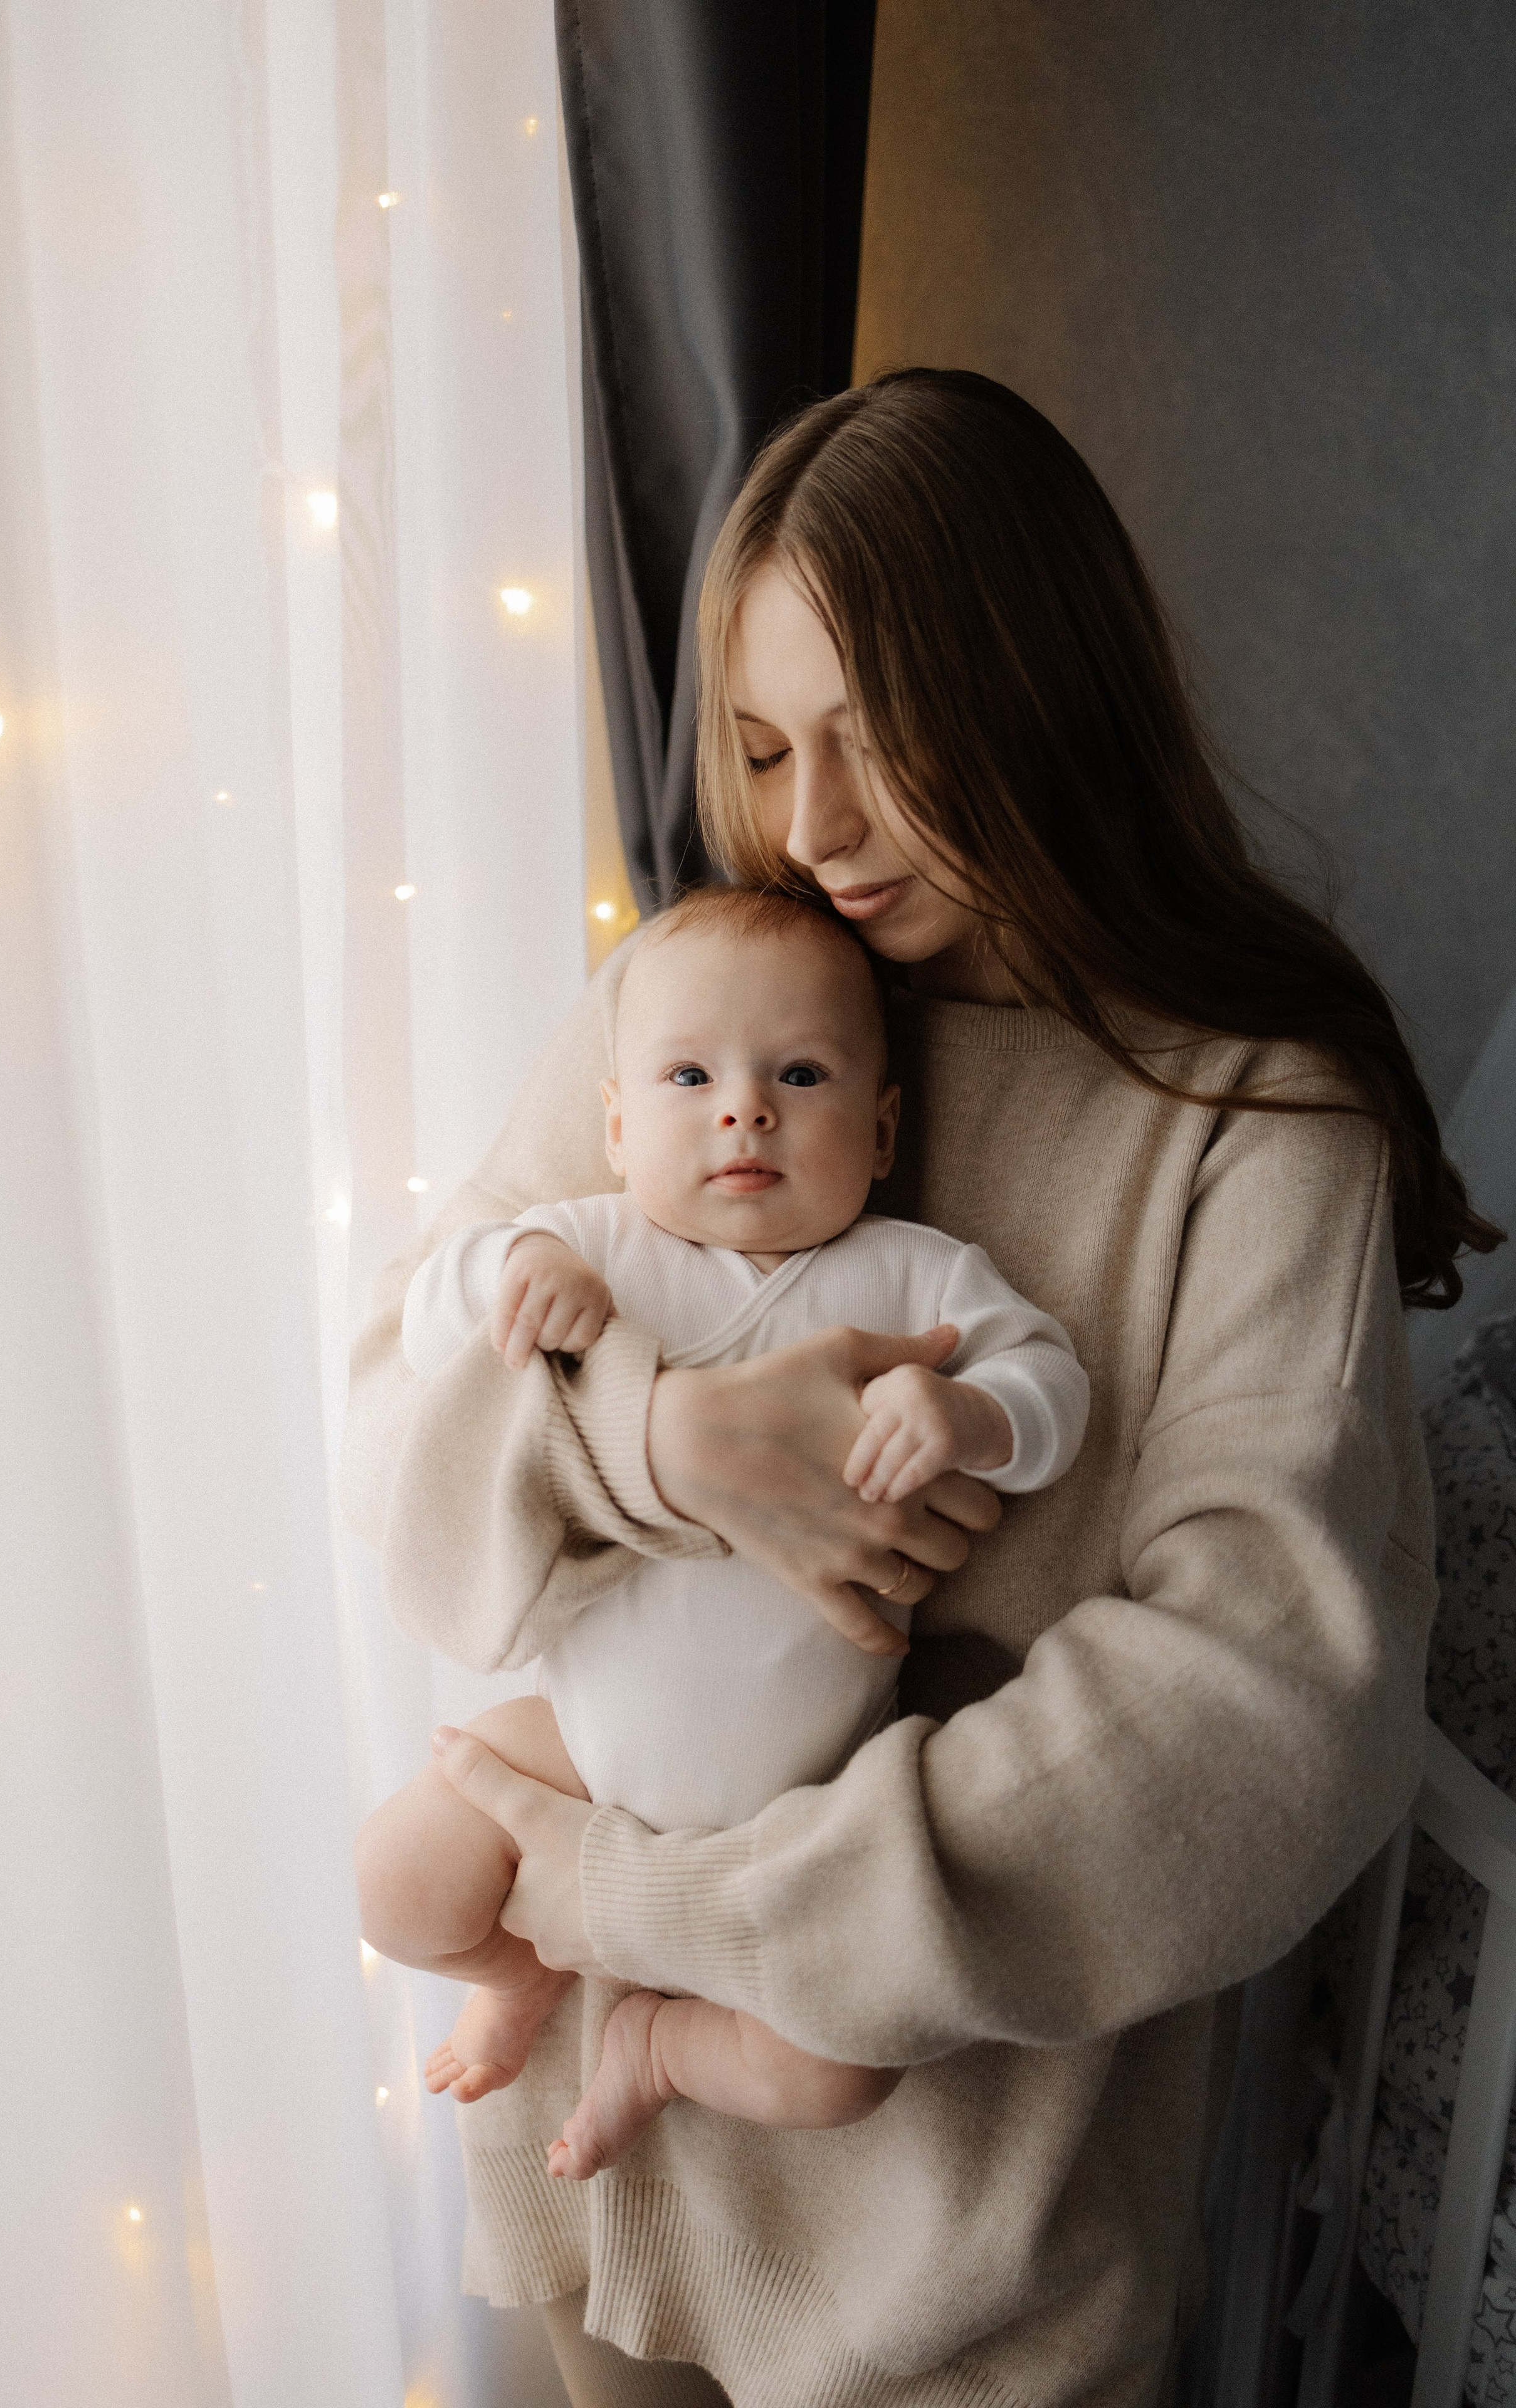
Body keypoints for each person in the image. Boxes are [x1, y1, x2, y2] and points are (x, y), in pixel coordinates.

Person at [341, 369, 1500, 2408]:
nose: (817, 831)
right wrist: (663, 1446)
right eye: (771, 750)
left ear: (1043, 696)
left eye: (879, 743)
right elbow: (397, 1419)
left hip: (950, 2265)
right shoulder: (705, 996)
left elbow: (1263, 1712)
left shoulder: (1249, 1118)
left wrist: (655, 1900)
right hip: (599, 2203)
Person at [353, 885, 1088, 2183]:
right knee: (397, 1886)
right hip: (580, 1745)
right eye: (690, 1076)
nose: (743, 1108)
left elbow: (1054, 1388)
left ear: (880, 1128)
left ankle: (658, 2049)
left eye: (798, 1075)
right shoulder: (596, 1243)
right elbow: (429, 1312)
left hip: (806, 1808)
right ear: (619, 1123)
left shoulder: (914, 1274)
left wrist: (967, 1412)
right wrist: (512, 1280)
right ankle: (518, 1974)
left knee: (840, 2067)